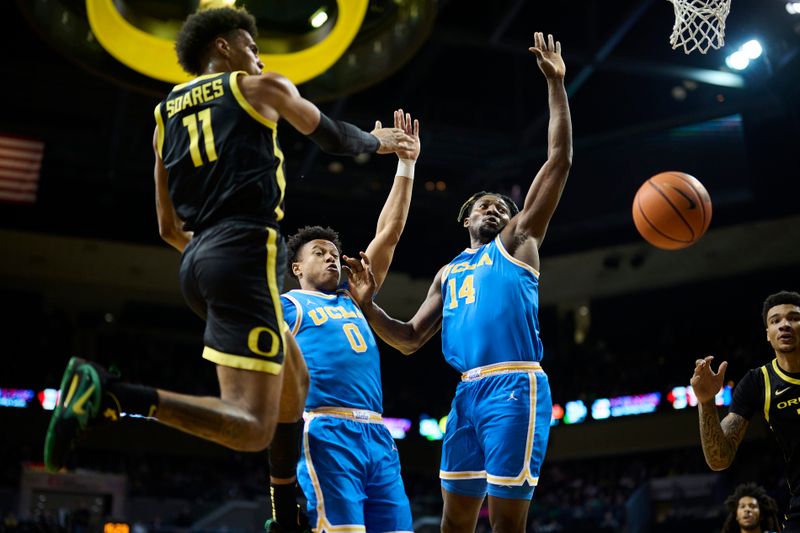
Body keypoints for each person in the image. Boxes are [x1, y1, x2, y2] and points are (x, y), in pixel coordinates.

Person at [43, 6, 414, 472]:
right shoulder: (260, 87)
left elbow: (167, 227)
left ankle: (285, 512)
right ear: (224, 45)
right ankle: (114, 394)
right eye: (252, 47)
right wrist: (379, 140)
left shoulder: (163, 118)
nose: (259, 58)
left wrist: (212, 255)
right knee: (252, 427)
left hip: (197, 260)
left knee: (295, 383)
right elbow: (336, 137)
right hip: (244, 251)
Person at [345, 32, 571, 533]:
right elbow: (406, 340)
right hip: (466, 395)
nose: (495, 209)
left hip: (515, 384)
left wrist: (556, 85)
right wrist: (366, 305)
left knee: (508, 523)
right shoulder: (448, 273)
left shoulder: (515, 244)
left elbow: (558, 161)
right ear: (465, 218)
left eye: (503, 207)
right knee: (454, 524)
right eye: (484, 205)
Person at [272, 109, 419, 533]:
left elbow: (388, 232)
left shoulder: (356, 297)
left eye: (333, 251)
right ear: (296, 268)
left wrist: (406, 163)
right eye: (318, 252)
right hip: (326, 430)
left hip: (378, 435)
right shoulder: (289, 304)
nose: (331, 255)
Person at [692, 291, 800, 532]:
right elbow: (720, 459)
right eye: (775, 321)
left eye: (793, 317)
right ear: (768, 336)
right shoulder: (757, 382)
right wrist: (706, 401)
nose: (784, 325)